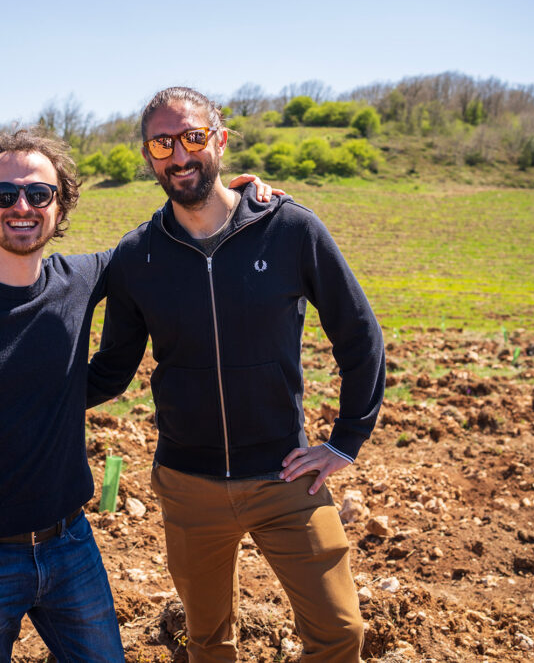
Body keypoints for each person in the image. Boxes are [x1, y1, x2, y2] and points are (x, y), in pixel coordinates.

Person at [0, 127, 276, 661]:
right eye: (4, 195)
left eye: (39, 194)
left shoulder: (83, 277)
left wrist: (237, 201)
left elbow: (159, 242)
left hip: (71, 545)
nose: (22, 206)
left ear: (60, 206)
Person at [87, 87, 386, 663]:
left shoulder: (290, 228)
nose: (179, 155)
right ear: (148, 156)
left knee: (340, 635)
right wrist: (26, 392)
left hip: (286, 477)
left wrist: (344, 444)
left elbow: (359, 334)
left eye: (194, 137)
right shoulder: (138, 256)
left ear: (219, 140)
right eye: (162, 143)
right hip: (188, 484)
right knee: (206, 643)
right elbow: (111, 371)